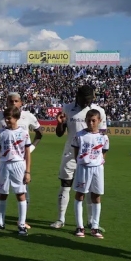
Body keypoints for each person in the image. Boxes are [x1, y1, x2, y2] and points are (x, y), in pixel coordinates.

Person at [52, 84, 108, 230]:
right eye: (85, 99)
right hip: (70, 154)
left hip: (91, 157)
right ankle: (60, 219)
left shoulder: (99, 111)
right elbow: (59, 133)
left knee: (90, 189)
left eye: (90, 99)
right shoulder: (68, 108)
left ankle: (91, 222)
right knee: (65, 185)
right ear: (78, 96)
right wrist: (59, 123)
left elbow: (103, 136)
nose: (87, 102)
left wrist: (101, 157)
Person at [0, 93, 42, 226]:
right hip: (3, 160)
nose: (13, 103)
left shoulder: (28, 116)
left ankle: (22, 221)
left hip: (19, 161)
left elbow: (39, 133)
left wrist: (31, 148)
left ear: (21, 102)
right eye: (11, 101)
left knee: (22, 192)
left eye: (16, 101)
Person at [0, 106, 32, 236]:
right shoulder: (1, 132)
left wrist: (28, 171)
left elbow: (28, 153)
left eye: (9, 118)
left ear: (16, 118)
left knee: (20, 194)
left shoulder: (23, 133)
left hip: (18, 165)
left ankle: (22, 224)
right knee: (2, 193)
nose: (7, 120)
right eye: (6, 118)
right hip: (3, 165)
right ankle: (0, 222)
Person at [71, 110, 109, 239]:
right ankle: (79, 226)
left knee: (96, 196)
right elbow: (76, 150)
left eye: (93, 120)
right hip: (83, 168)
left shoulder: (103, 137)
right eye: (88, 120)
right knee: (80, 194)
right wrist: (81, 161)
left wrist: (99, 162)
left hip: (97, 169)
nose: (91, 123)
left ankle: (95, 227)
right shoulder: (80, 135)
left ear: (99, 121)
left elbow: (104, 151)